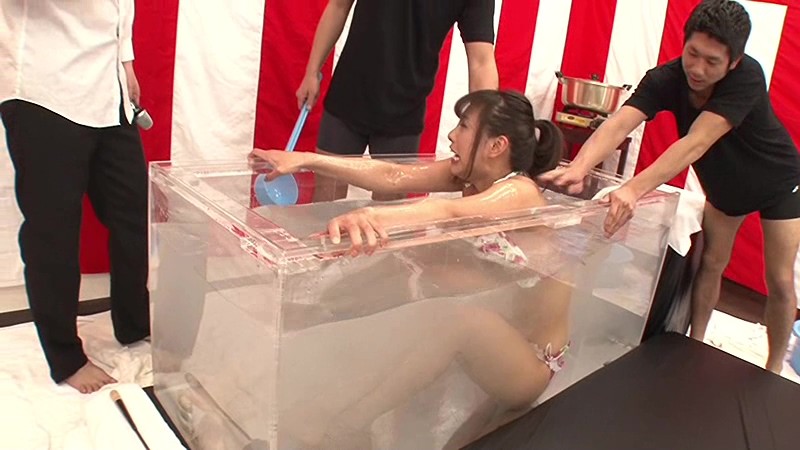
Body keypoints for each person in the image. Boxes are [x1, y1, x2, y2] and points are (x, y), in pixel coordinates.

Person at [247, 90, 572, 447]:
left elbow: (446, 212)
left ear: (496, 146)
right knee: (405, 268)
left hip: (531, 361)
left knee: (460, 318)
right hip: (499, 329)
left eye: (464, 126)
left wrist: (372, 216)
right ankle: (325, 343)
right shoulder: (471, 179)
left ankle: (351, 422)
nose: (452, 135)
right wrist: (305, 160)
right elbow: (393, 176)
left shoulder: (518, 193)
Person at [540, 0, 800, 373]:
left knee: (779, 280)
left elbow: (696, 142)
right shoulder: (666, 78)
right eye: (692, 53)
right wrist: (579, 166)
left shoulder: (748, 77)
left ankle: (773, 370)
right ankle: (697, 343)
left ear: (734, 62)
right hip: (726, 185)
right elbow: (620, 122)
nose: (697, 68)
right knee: (711, 264)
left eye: (712, 62)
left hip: (778, 180)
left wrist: (633, 189)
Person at [0, 0, 150, 392]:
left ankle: (135, 325)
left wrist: (126, 62)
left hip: (109, 91)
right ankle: (65, 356)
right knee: (54, 232)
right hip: (46, 91)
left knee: (134, 215)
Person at [296, 0, 498, 202]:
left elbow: (481, 61)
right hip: (348, 94)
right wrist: (312, 71)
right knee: (325, 199)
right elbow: (338, 6)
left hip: (405, 110)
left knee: (389, 208)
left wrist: (484, 130)